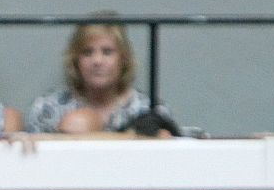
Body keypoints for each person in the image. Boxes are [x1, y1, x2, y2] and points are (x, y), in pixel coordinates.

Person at [26, 20, 169, 135]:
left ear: (123, 59)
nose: (97, 61)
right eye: (87, 52)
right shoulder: (47, 109)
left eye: (107, 52)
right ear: (75, 60)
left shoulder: (149, 111)